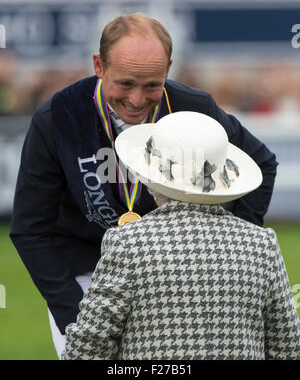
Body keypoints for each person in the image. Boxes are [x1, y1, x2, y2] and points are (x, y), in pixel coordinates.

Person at [10, 12, 278, 358]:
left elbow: (262, 164)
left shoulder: (194, 108)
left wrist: (231, 245)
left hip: (171, 272)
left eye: (152, 85)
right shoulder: (57, 117)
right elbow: (31, 230)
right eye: (125, 83)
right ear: (99, 66)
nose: (137, 100)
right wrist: (75, 315)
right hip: (85, 274)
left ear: (168, 67)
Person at [61, 112, 300, 360]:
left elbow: (87, 347)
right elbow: (287, 347)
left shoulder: (128, 243)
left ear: (150, 178)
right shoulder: (261, 245)